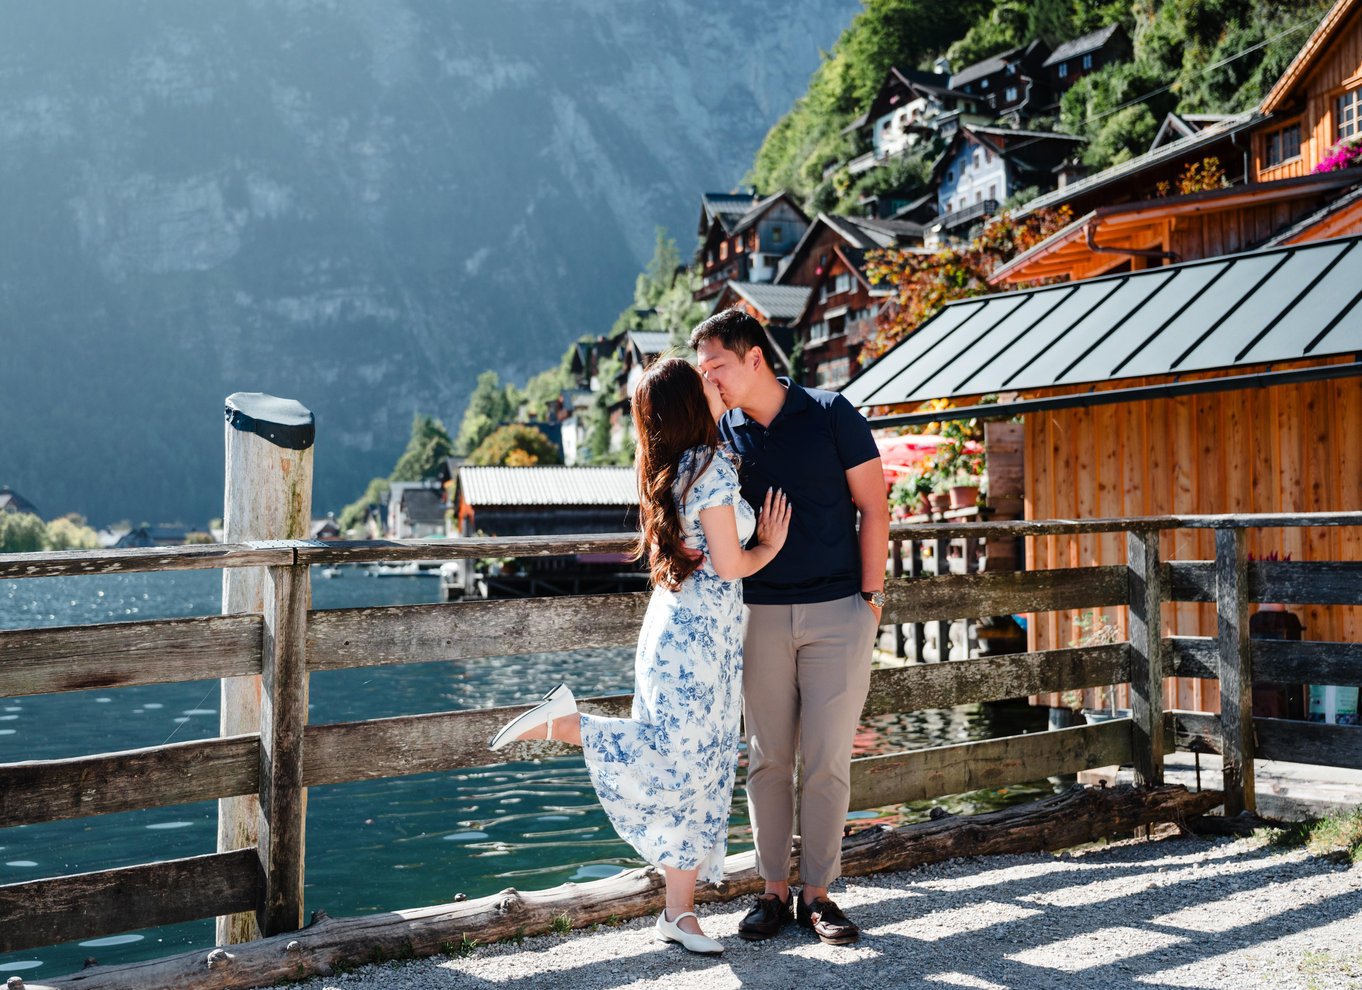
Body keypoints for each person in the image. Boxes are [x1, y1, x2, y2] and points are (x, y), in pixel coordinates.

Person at [488, 356, 791, 956]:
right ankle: (567, 724)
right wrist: (771, 546)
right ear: (689, 404)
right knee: (689, 759)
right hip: (701, 640)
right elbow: (730, 564)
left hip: (676, 632)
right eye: (703, 379)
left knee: (695, 766)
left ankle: (678, 915)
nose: (714, 381)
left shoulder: (673, 469)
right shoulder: (710, 468)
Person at [690, 309, 888, 946]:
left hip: (839, 614)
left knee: (828, 759)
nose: (708, 378)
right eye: (701, 370)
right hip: (758, 617)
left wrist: (872, 600)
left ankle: (820, 897)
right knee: (769, 760)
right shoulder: (724, 433)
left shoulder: (833, 413)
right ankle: (773, 893)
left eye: (715, 365)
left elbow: (875, 507)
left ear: (753, 359)